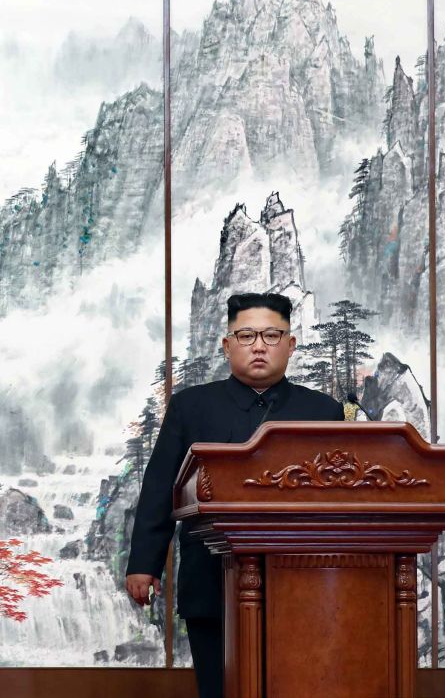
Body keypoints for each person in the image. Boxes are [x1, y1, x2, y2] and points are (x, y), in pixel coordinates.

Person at [124, 292, 341, 698]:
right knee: (218, 687)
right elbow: (160, 486)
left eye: (272, 335)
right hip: (210, 577)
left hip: (299, 579)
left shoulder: (323, 410)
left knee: (296, 684)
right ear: (227, 346)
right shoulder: (191, 406)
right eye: (246, 335)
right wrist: (143, 564)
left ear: (290, 345)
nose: (259, 346)